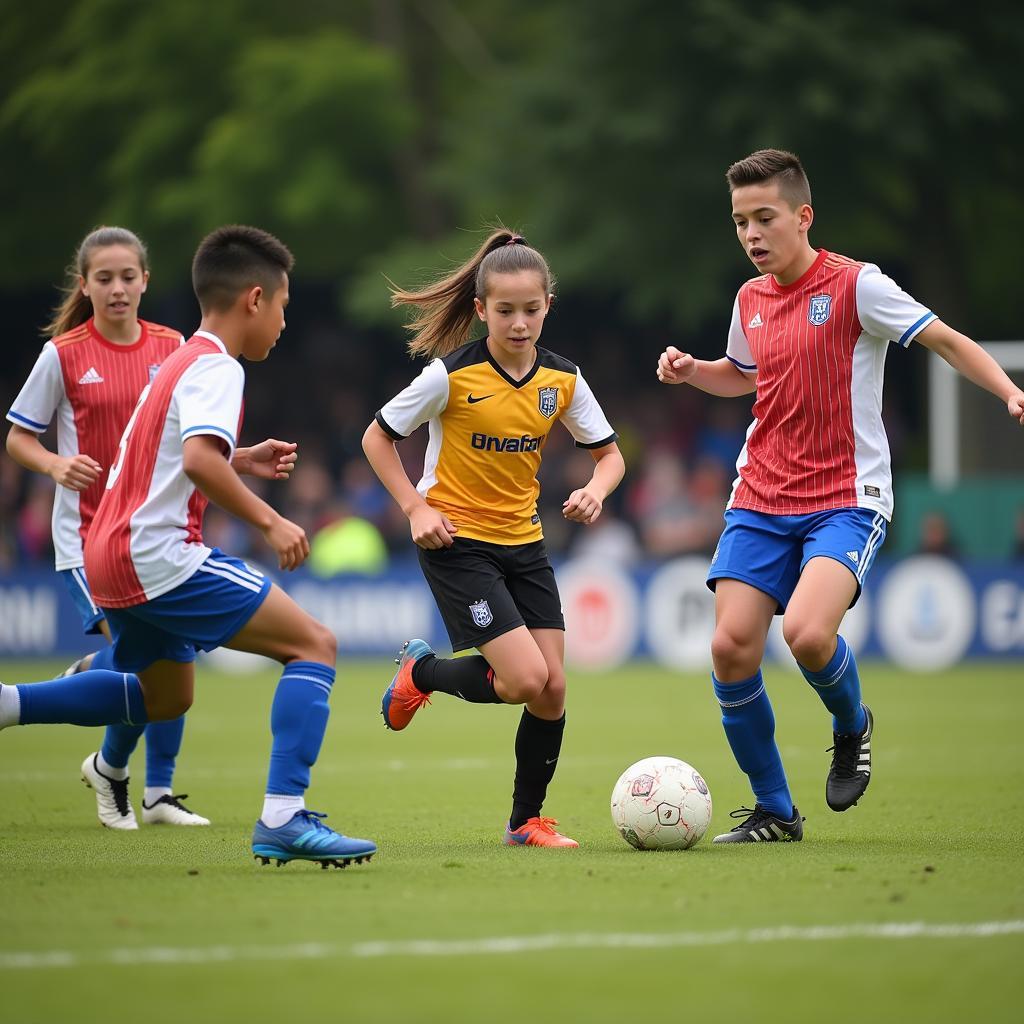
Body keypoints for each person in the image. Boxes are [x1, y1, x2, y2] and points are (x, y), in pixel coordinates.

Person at [656, 149, 1024, 844]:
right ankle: (775, 811)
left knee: (806, 633)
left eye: (764, 218)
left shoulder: (858, 285)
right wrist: (692, 371)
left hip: (845, 497)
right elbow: (742, 376)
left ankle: (851, 725)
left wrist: (1008, 390)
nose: (752, 234)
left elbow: (943, 340)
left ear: (804, 216)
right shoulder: (749, 299)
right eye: (740, 222)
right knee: (732, 647)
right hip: (760, 494)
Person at [0, 225, 376, 868]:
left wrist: (243, 459)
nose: (284, 322)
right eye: (283, 305)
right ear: (254, 299)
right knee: (314, 643)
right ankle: (284, 817)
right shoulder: (216, 366)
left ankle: (8, 704)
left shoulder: (176, 357)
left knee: (167, 695)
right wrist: (270, 521)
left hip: (109, 553)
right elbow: (200, 460)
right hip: (157, 554)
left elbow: (174, 453)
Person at [362, 227, 625, 848]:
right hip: (457, 543)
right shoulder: (450, 376)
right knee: (526, 681)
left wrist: (596, 491)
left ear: (547, 308)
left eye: (531, 310)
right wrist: (413, 509)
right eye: (504, 311)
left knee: (552, 687)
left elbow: (610, 457)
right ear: (481, 310)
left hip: (525, 544)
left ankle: (523, 822)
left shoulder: (562, 380)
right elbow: (377, 437)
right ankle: (421, 674)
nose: (518, 323)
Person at [5, 226, 208, 830]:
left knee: (171, 658)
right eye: (104, 278)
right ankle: (115, 770)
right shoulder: (63, 354)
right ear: (85, 285)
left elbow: (189, 433)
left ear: (145, 280)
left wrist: (240, 457)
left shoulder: (173, 346)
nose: (117, 289)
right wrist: (54, 464)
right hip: (88, 541)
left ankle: (157, 792)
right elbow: (19, 437)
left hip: (157, 536)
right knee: (147, 664)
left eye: (127, 277)